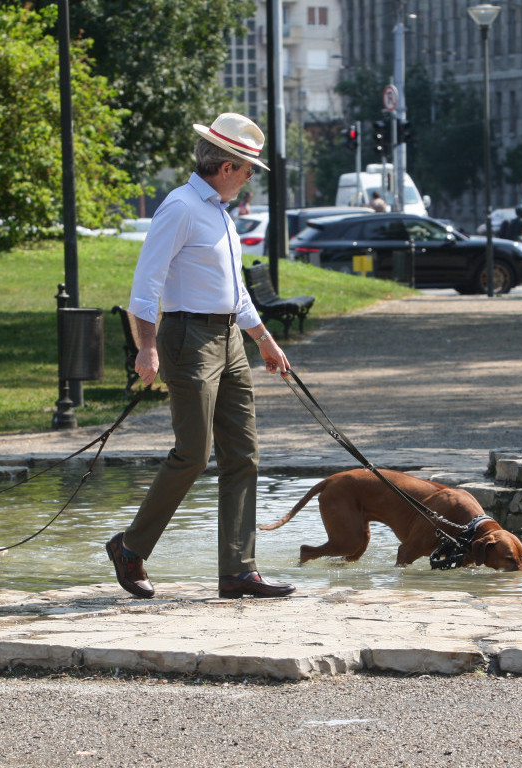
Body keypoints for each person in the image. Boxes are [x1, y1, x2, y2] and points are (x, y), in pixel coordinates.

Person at [106, 113, 295, 601]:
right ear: (228, 165)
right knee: (194, 453)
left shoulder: (218, 212)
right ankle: (129, 547)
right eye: (249, 168)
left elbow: (233, 292)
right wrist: (146, 347)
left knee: (244, 454)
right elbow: (145, 284)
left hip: (229, 339)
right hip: (187, 338)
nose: (251, 177)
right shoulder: (181, 207)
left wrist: (263, 341)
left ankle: (238, 570)